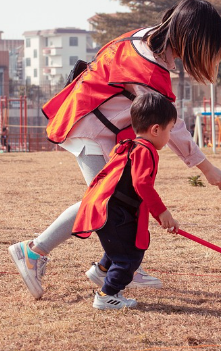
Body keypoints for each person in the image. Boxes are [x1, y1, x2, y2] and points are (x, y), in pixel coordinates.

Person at [9, 0, 221, 300]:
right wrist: (208, 168)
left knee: (125, 198)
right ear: (193, 38)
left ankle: (109, 267)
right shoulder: (149, 72)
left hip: (96, 123)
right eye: (208, 44)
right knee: (104, 200)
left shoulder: (145, 38)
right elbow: (171, 126)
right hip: (89, 127)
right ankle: (33, 252)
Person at [73, 93, 179, 309]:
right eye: (170, 130)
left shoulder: (129, 145)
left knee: (122, 245)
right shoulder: (145, 151)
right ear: (156, 129)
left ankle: (101, 271)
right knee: (129, 257)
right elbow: (142, 184)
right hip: (113, 211)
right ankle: (106, 295)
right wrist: (162, 212)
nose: (169, 136)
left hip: (109, 208)